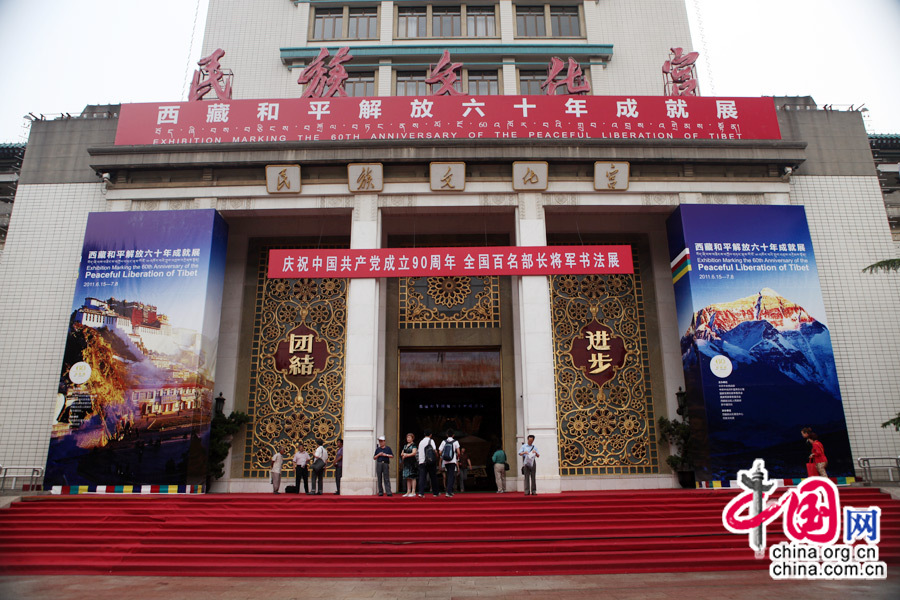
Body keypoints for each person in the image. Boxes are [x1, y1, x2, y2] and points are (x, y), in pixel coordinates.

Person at [417, 428, 439, 498]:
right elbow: (434, 450)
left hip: (422, 462)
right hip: (430, 461)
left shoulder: (421, 442)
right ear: (431, 435)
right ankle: (435, 493)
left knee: (422, 477)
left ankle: (421, 493)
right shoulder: (431, 441)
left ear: (424, 434)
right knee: (433, 477)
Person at [438, 430, 460, 498]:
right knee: (451, 475)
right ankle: (448, 492)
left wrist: (443, 456)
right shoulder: (455, 442)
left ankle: (449, 490)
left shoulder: (443, 442)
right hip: (452, 461)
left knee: (448, 475)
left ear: (446, 435)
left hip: (446, 461)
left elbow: (440, 452)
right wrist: (457, 457)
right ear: (453, 435)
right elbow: (458, 452)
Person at [400, 433, 418, 497]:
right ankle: (408, 491)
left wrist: (406, 455)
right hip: (406, 462)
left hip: (412, 462)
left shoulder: (414, 445)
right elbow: (402, 453)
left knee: (413, 477)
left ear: (412, 438)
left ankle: (413, 491)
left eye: (409, 437)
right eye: (407, 437)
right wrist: (404, 454)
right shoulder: (405, 445)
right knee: (407, 477)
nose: (408, 439)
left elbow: (414, 453)